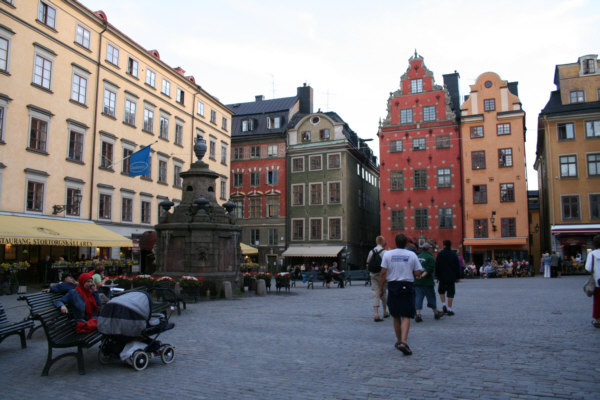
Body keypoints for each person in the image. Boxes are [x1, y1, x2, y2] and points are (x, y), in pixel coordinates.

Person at [379, 233, 423, 356]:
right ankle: (404, 341)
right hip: (407, 285)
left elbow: (383, 273)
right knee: (407, 315)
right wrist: (416, 273)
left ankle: (399, 341)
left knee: (396, 315)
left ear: (395, 242)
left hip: (393, 286)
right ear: (406, 243)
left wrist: (381, 289)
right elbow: (418, 272)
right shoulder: (412, 255)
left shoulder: (388, 254)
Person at [414, 243, 444, 322]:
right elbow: (429, 269)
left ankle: (418, 314)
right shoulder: (430, 257)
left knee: (418, 297)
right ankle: (436, 312)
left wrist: (417, 276)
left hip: (417, 281)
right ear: (428, 249)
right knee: (431, 297)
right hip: (427, 282)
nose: (433, 250)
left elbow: (414, 268)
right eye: (432, 248)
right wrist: (422, 276)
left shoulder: (418, 256)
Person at [366, 236, 389, 322]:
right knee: (383, 292)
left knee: (375, 292)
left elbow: (367, 263)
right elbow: (387, 265)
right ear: (383, 242)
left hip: (373, 274)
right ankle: (385, 311)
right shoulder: (385, 252)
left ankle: (376, 314)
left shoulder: (371, 251)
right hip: (382, 274)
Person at [435, 240, 460, 316]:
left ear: (444, 245)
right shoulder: (453, 254)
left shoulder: (440, 254)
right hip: (451, 277)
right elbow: (457, 267)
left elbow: (437, 265)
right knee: (450, 293)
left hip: (442, 276)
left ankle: (443, 304)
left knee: (441, 291)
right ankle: (449, 309)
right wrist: (457, 277)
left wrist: (437, 275)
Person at [585, 235, 600, 328]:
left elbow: (588, 268)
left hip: (597, 280)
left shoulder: (592, 254)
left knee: (597, 300)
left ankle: (597, 318)